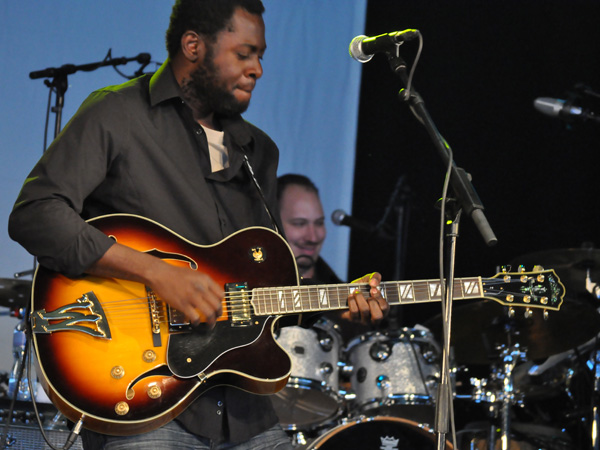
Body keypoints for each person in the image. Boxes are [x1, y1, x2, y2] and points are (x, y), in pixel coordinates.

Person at [8, 1, 388, 449]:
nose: (258, 69)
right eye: (244, 54)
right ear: (193, 46)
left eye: (261, 56)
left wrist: (335, 301)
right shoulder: (116, 114)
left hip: (244, 412)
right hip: (146, 401)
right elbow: (35, 212)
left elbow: (254, 292)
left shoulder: (258, 151)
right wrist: (156, 273)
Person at [276, 174, 341, 284]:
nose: (313, 237)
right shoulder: (248, 287)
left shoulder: (341, 293)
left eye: (319, 223)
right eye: (299, 224)